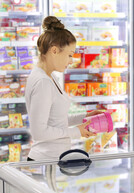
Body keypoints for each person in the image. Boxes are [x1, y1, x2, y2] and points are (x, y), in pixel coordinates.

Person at [25, 16, 101, 161]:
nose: (71, 61)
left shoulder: (48, 77)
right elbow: (39, 132)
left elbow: (55, 120)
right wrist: (76, 132)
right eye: (69, 55)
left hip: (51, 159)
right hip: (44, 161)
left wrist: (85, 116)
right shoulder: (43, 82)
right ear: (54, 50)